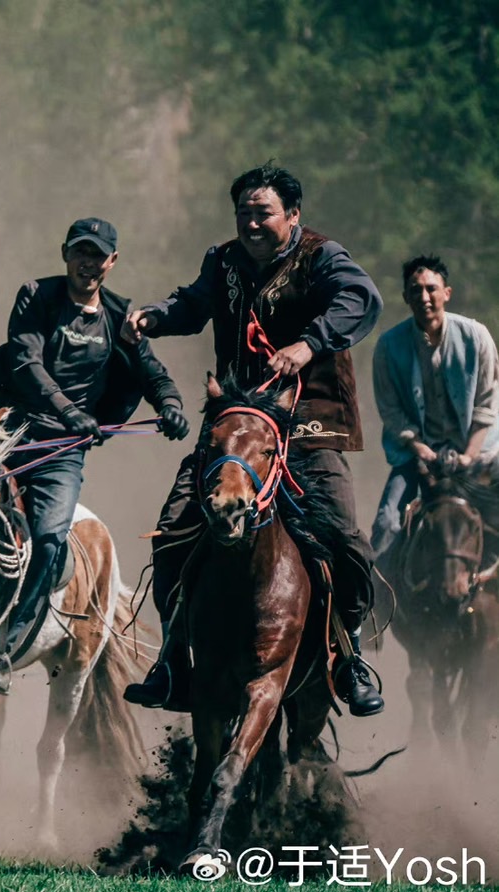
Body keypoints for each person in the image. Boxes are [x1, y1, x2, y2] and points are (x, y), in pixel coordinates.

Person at [122, 164, 385, 716]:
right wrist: (154, 317)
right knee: (171, 532)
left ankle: (349, 654)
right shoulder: (223, 261)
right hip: (237, 427)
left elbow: (361, 298)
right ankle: (173, 661)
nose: (251, 222)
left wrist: (309, 345)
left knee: (344, 540)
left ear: (292, 214)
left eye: (262, 212)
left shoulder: (323, 257)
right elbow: (192, 306)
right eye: (243, 212)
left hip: (310, 422)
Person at [0, 218, 186, 693]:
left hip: (61, 454)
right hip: (3, 436)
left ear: (112, 262)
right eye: (81, 252)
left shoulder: (120, 317)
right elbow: (25, 362)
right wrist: (69, 410)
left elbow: (154, 374)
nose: (88, 263)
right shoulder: (35, 295)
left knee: (49, 540)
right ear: (65, 253)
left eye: (99, 255)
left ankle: (4, 649)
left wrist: (170, 405)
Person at [370, 255, 499, 560]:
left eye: (431, 288)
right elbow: (391, 412)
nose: (424, 297)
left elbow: (487, 404)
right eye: (415, 290)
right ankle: (380, 604)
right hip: (418, 456)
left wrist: (469, 456)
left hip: (479, 453)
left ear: (447, 293)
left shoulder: (476, 336)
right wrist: (422, 452)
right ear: (405, 297)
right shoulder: (388, 347)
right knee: (386, 525)